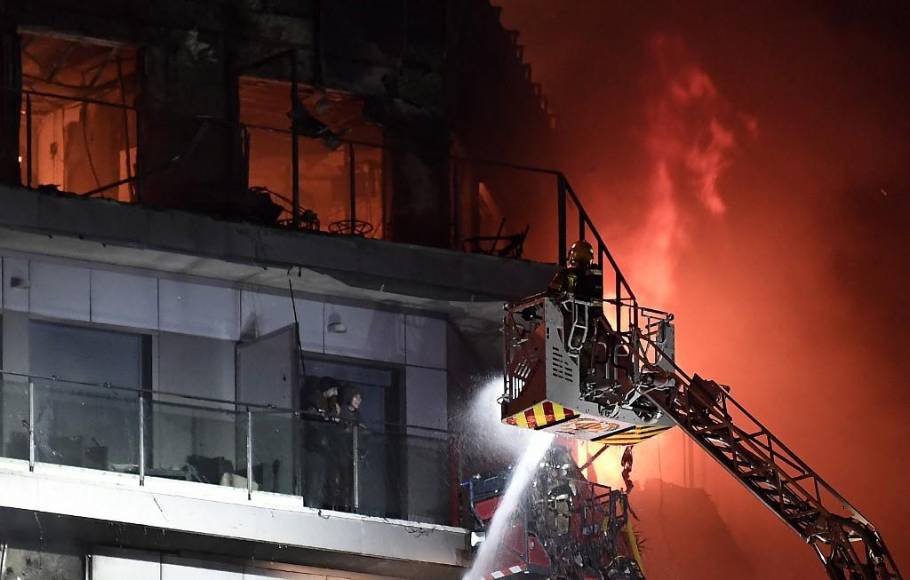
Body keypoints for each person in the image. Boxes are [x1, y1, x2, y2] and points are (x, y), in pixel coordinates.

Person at [303, 376, 340, 509]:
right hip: (315, 447)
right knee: (315, 479)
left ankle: (317, 505)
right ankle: (312, 505)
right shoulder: (315, 400)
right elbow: (312, 417)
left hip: (322, 449)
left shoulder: (326, 402)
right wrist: (326, 418)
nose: (335, 393)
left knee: (320, 479)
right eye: (334, 390)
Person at [330, 384, 363, 512]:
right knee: (338, 482)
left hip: (350, 454)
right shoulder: (341, 410)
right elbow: (338, 428)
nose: (358, 401)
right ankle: (337, 508)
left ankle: (347, 508)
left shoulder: (358, 415)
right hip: (339, 452)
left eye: (360, 398)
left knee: (348, 483)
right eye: (356, 397)